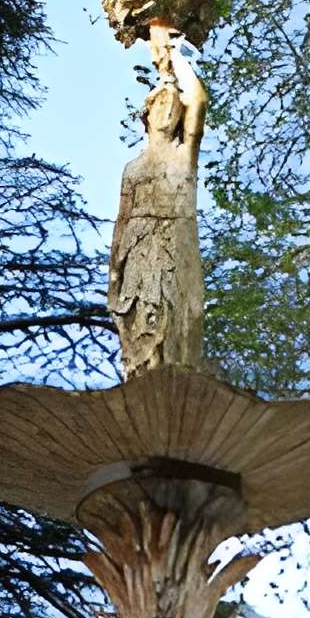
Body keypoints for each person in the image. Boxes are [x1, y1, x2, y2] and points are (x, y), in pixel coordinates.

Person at [107, 24, 207, 375]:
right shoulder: (132, 169)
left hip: (173, 246)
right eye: (161, 105)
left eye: (173, 107)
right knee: (141, 326)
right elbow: (120, 225)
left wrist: (174, 57)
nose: (168, 110)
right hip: (138, 254)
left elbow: (197, 99)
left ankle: (173, 383)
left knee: (176, 317)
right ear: (146, 116)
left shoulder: (183, 156)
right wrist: (114, 279)